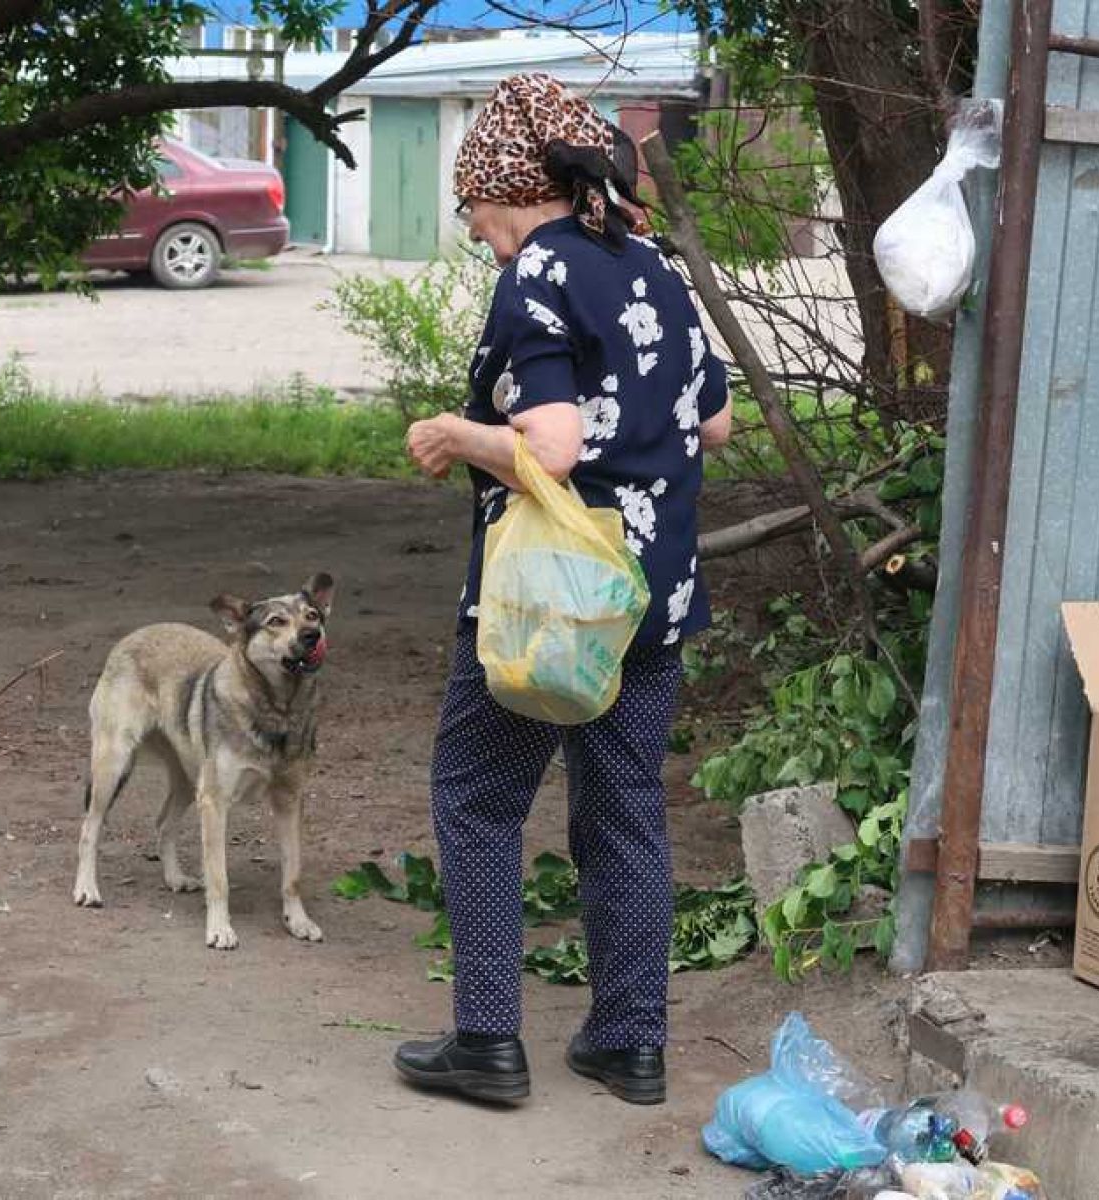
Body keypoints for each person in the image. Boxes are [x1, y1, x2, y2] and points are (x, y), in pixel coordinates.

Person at [391, 73, 733, 1107]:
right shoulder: (652, 263)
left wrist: (458, 436)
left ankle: (488, 1042)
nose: (482, 237)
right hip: (652, 597)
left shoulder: (538, 267)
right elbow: (713, 424)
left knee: (478, 798)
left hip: (555, 603)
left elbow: (552, 440)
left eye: (475, 214)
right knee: (626, 811)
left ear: (504, 185)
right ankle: (631, 1044)